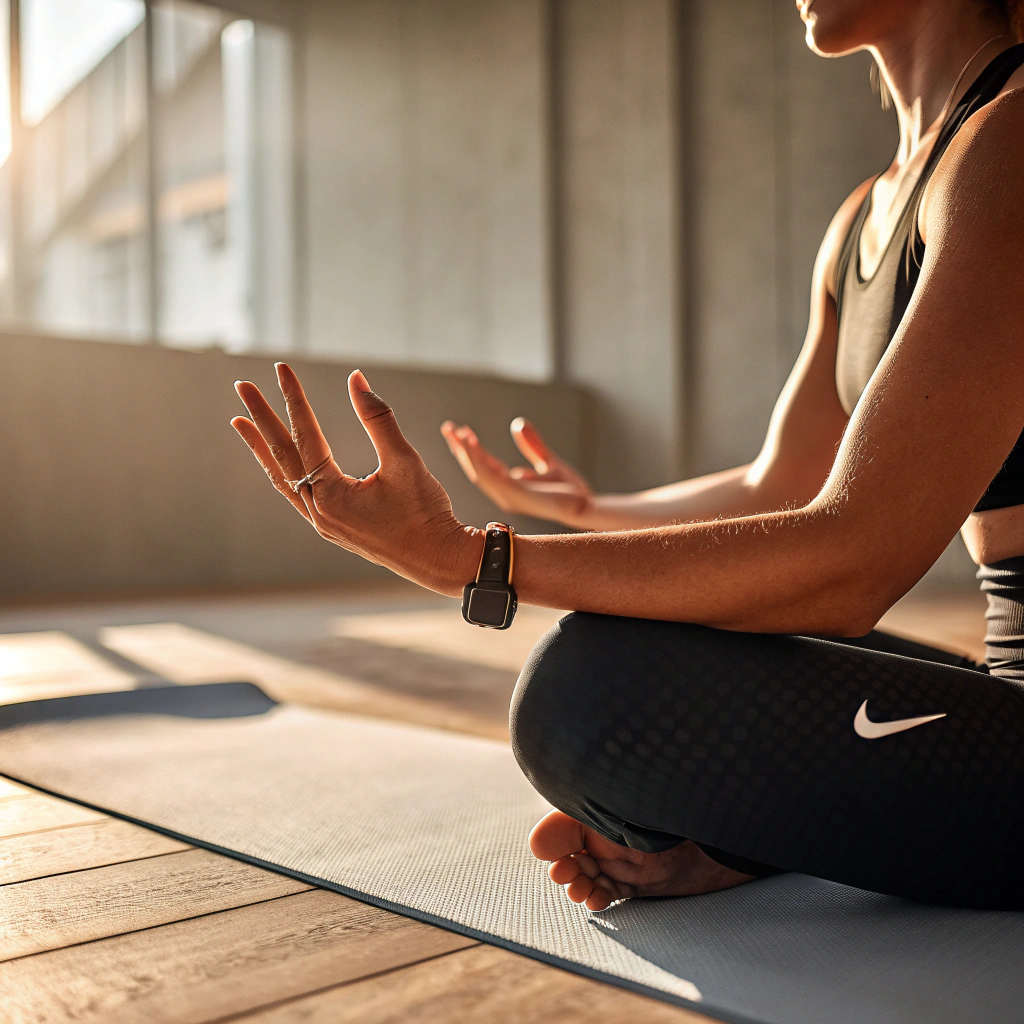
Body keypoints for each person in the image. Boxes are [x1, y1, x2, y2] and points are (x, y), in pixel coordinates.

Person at [230, 0, 1024, 912]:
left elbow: (852, 563)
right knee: (636, 630)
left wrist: (474, 562)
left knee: (588, 693)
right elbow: (778, 486)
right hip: (1004, 686)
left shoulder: (1012, 144)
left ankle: (771, 821)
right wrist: (588, 511)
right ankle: (755, 837)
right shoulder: (863, 220)